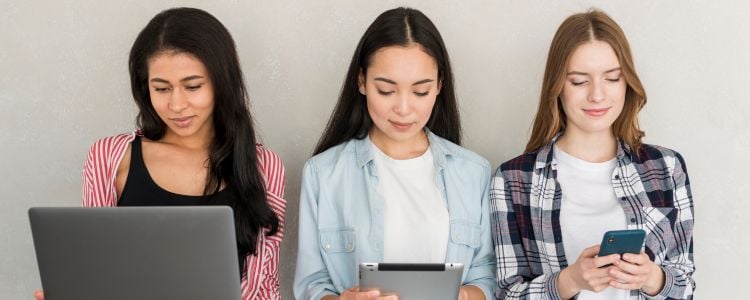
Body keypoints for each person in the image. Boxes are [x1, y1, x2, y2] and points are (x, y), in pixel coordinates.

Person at [34, 7, 286, 300]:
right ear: (145, 88)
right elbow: (98, 267)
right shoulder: (110, 157)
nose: (177, 105)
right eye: (162, 88)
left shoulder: (264, 166)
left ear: (222, 82)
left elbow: (264, 287)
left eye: (192, 86)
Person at [490, 9, 695, 300]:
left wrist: (653, 278)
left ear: (628, 83)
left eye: (612, 78)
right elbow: (507, 294)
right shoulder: (512, 180)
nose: (597, 95)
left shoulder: (666, 168)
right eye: (579, 81)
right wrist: (568, 281)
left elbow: (685, 285)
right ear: (557, 86)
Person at [293, 7, 495, 300]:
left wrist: (459, 296)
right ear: (361, 81)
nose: (403, 108)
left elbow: (487, 277)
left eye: (420, 92)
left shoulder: (473, 173)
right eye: (386, 90)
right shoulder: (322, 174)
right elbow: (311, 285)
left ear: (439, 85)